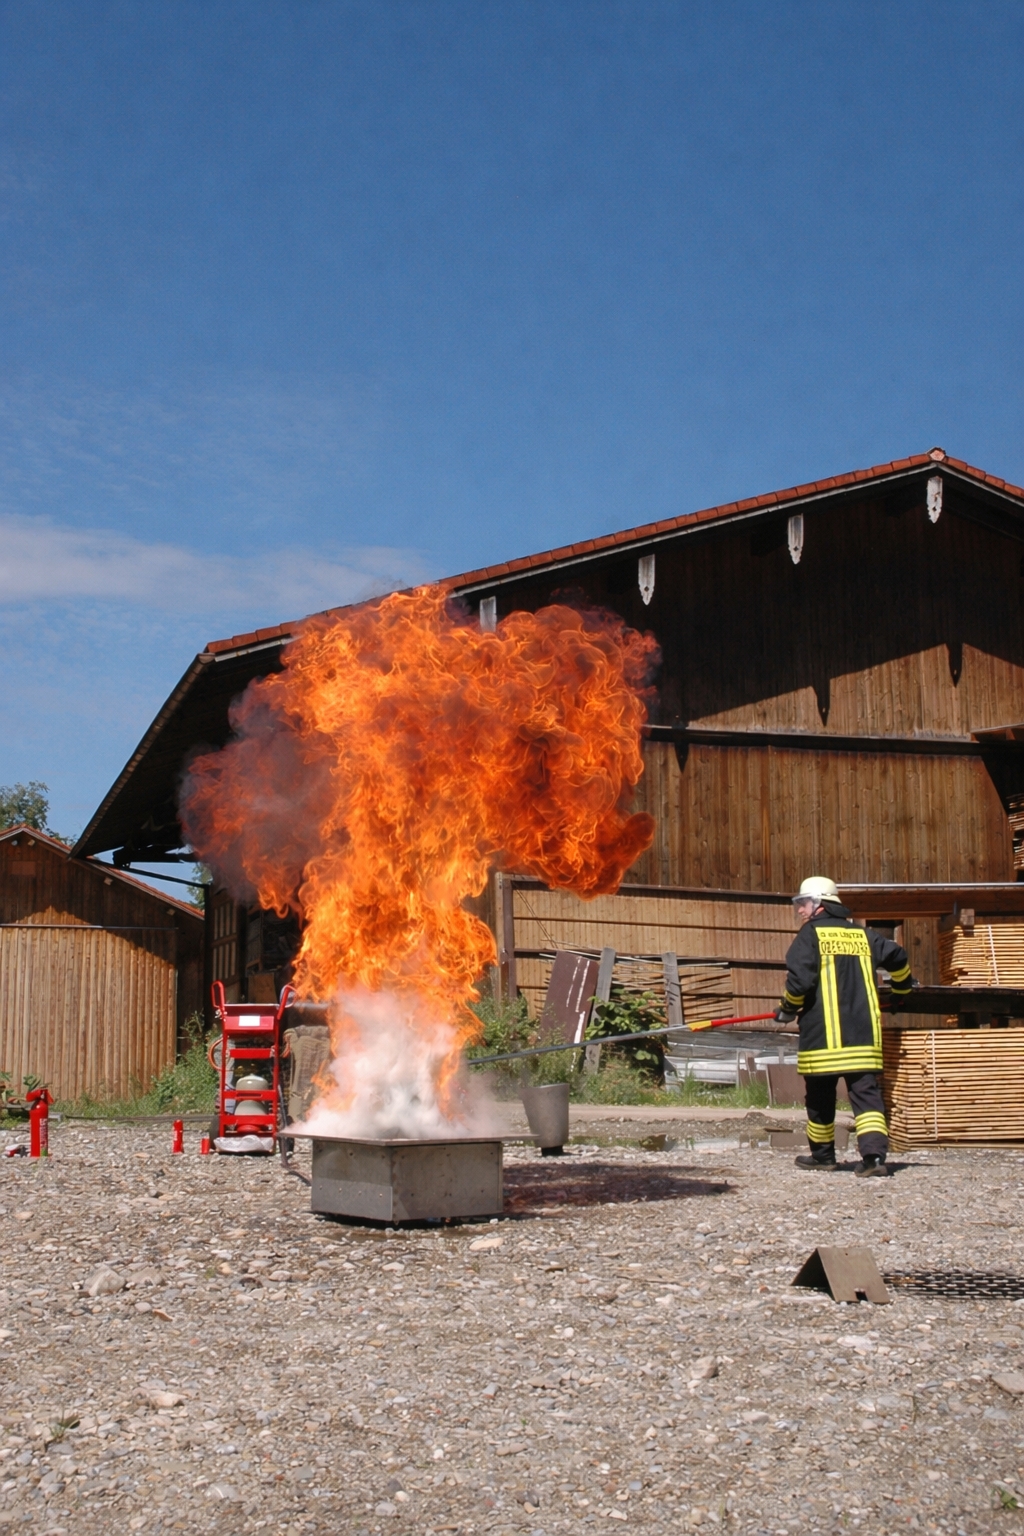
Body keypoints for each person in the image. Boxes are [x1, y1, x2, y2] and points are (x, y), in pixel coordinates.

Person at [774, 876, 914, 1178]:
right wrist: (901, 990)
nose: (800, 910)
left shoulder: (809, 935)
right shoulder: (863, 935)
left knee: (819, 1099)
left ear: (820, 904)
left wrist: (786, 1008)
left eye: (803, 903)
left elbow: (799, 983)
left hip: (821, 1038)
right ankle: (874, 1159)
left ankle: (823, 1157)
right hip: (863, 1037)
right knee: (866, 1097)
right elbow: (898, 956)